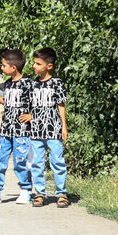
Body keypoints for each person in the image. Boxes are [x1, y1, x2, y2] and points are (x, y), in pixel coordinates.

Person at [0, 48, 33, 205]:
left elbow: (40, 104)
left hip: (22, 131)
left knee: (21, 161)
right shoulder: (8, 84)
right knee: (0, 159)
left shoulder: (29, 84)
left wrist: (32, 116)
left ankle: (25, 190)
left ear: (14, 68)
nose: (1, 68)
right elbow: (7, 102)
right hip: (6, 130)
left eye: (4, 65)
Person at [28, 47, 69, 207]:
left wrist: (64, 127)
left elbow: (61, 105)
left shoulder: (56, 83)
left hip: (53, 131)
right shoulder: (33, 85)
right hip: (36, 131)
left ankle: (61, 193)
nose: (34, 66)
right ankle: (39, 193)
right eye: (34, 63)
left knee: (57, 162)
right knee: (37, 163)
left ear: (49, 66)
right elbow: (30, 106)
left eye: (38, 63)